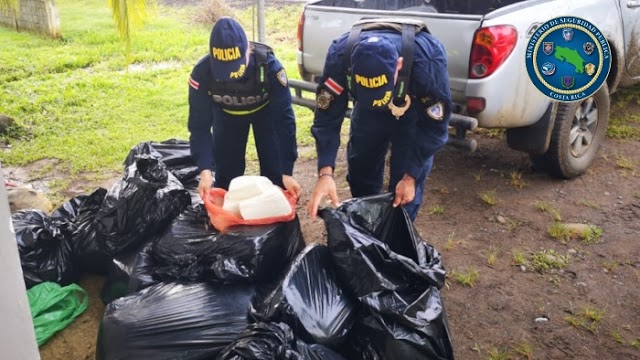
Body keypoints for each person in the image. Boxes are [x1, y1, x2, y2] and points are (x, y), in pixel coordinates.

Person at [306, 19, 452, 221]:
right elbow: (326, 118)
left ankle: (396, 239)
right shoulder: (340, 56)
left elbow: (434, 128)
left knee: (405, 193)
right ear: (351, 69)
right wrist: (325, 173)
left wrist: (411, 177)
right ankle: (366, 230)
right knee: (361, 174)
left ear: (398, 66)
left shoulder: (428, 60)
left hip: (411, 111)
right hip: (367, 113)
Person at [187, 17, 300, 200]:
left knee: (275, 177)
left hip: (266, 115)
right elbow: (199, 125)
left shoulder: (270, 68)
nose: (232, 75)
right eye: (225, 69)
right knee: (227, 179)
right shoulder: (202, 73)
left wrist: (286, 171)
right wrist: (205, 171)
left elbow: (284, 121)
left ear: (248, 49)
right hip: (226, 116)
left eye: (236, 67)